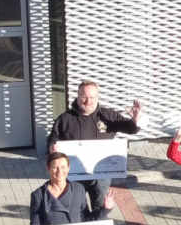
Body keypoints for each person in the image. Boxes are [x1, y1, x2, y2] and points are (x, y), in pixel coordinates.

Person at [47, 80, 140, 214]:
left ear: (97, 97)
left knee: (101, 208)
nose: (88, 101)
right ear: (78, 96)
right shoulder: (64, 119)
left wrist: (135, 119)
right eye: (84, 97)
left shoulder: (107, 116)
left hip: (101, 175)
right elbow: (52, 140)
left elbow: (130, 129)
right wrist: (52, 148)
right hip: (75, 174)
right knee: (76, 208)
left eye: (92, 97)